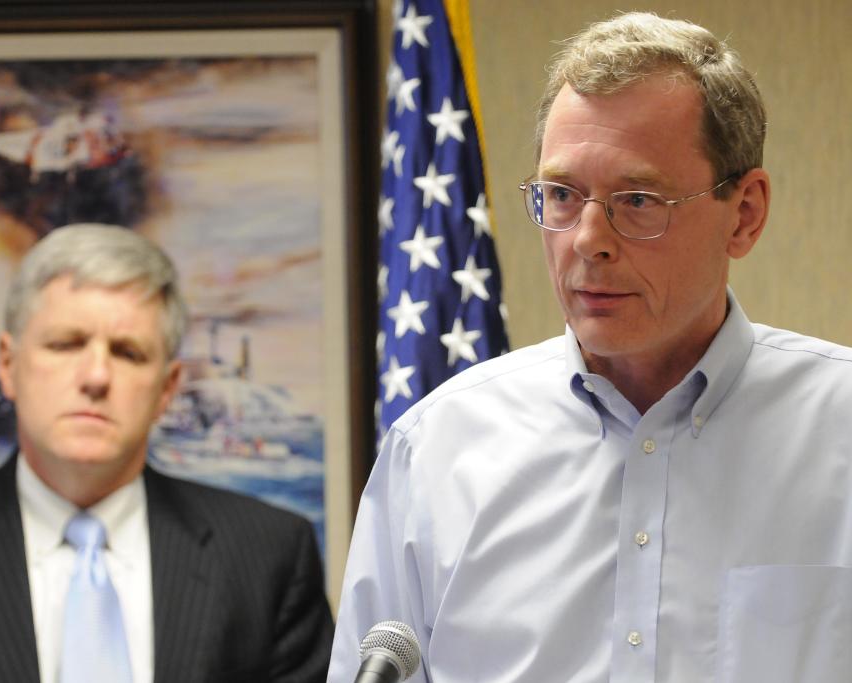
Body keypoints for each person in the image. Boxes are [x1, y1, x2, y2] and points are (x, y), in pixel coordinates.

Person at [329, 12, 852, 683]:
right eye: (560, 195)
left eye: (636, 199)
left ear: (743, 212)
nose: (586, 240)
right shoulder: (435, 450)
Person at [0, 224, 333, 683]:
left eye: (128, 353)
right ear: (8, 365)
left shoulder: (269, 556)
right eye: (66, 344)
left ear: (167, 388)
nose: (97, 376)